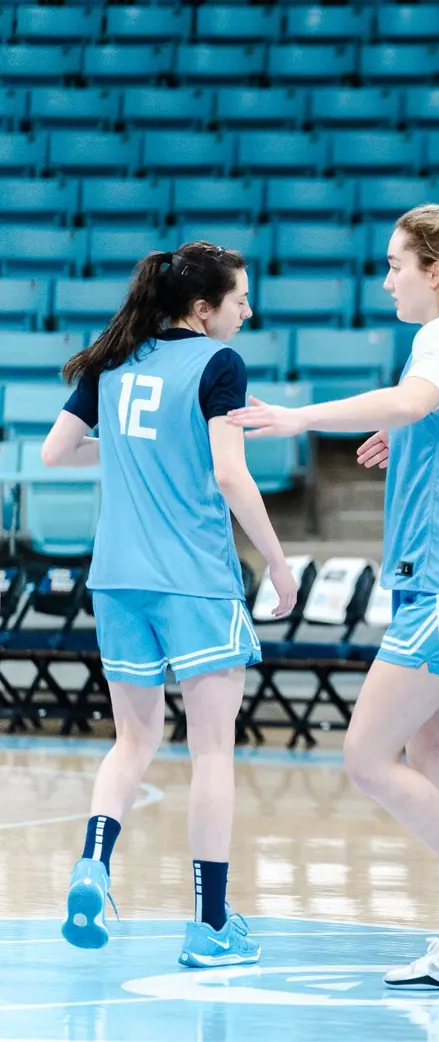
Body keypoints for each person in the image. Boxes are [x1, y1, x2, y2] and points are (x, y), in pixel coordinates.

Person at [229, 205, 439, 989]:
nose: (386, 278)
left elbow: (411, 401)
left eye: (396, 264)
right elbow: (434, 419)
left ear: (435, 272)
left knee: (366, 757)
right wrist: (409, 434)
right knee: (438, 756)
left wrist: (298, 416)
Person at [48, 242, 298, 967]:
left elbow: (56, 454)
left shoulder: (114, 358)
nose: (247, 310)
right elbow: (230, 476)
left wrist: (132, 451)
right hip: (194, 579)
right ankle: (210, 925)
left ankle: (92, 865)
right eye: (239, 299)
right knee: (213, 751)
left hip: (116, 579)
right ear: (202, 308)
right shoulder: (219, 366)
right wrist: (278, 566)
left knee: (133, 742)